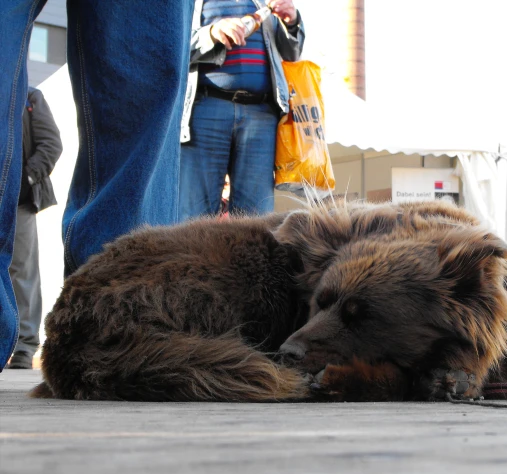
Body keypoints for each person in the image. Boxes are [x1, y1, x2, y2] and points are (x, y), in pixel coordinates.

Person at [1, 0, 192, 371]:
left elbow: (48, 143)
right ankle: (123, 324)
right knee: (143, 70)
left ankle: (121, 323)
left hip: (28, 193)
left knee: (143, 72)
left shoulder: (35, 103)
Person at [179, 0, 305, 221]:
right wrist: (211, 33)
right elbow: (173, 45)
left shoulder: (265, 1)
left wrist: (292, 22)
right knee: (193, 219)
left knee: (257, 220)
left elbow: (292, 53)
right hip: (205, 110)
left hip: (261, 114)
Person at [6, 87, 63, 369]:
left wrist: (26, 178)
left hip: (19, 201)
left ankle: (24, 347)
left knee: (23, 273)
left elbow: (51, 144)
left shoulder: (29, 96)